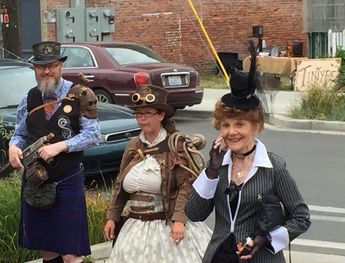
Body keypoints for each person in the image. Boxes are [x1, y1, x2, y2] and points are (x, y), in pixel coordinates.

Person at [185, 41, 311, 263]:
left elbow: (301, 218)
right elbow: (194, 214)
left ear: (256, 126)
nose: (231, 132)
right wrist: (211, 171)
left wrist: (267, 239)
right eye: (225, 125)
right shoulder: (218, 166)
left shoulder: (273, 167)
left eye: (239, 125)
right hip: (220, 257)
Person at [8, 41, 100, 263]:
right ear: (35, 69)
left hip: (68, 179)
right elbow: (20, 133)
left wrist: (61, 146)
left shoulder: (81, 94)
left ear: (60, 66)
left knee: (70, 254)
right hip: (36, 180)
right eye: (41, 67)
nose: (46, 71)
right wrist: (13, 146)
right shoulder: (28, 98)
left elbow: (94, 135)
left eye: (51, 65)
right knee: (48, 249)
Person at [103, 83, 212, 262]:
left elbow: (186, 186)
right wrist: (112, 217)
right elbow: (119, 184)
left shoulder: (176, 145)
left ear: (161, 115)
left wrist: (179, 220)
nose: (142, 119)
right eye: (138, 114)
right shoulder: (133, 146)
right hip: (135, 227)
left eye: (147, 113)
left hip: (167, 225)